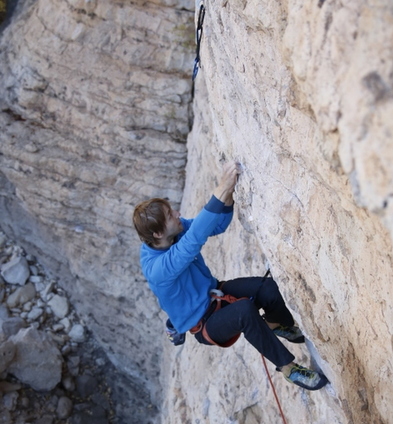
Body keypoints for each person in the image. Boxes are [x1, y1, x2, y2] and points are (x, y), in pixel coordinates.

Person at [133, 161, 328, 391]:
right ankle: (288, 368)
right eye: (170, 215)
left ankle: (276, 324)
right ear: (157, 234)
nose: (178, 213)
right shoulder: (158, 268)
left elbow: (215, 226)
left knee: (269, 289)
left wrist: (227, 200)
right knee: (244, 311)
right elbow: (193, 240)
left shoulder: (174, 232)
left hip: (216, 294)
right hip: (204, 323)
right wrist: (220, 190)